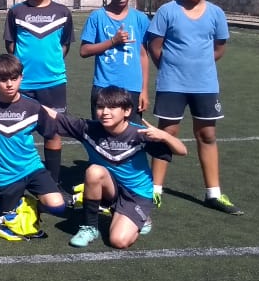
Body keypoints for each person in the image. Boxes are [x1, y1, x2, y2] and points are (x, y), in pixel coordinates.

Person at [146, 0, 241, 215]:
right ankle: (154, 190)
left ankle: (213, 194)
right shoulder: (167, 11)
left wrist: (199, 67)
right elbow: (154, 46)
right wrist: (170, 68)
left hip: (205, 85)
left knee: (207, 135)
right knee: (167, 133)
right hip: (172, 84)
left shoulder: (216, 13)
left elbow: (219, 48)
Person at [48, 86, 187, 248]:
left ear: (127, 111)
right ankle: (90, 227)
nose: (105, 112)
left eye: (112, 107)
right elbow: (55, 117)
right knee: (94, 171)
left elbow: (182, 151)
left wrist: (164, 136)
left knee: (118, 241)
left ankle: (139, 217)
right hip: (110, 189)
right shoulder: (88, 129)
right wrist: (26, 102)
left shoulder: (139, 134)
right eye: (100, 107)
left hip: (136, 195)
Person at [0, 54, 66, 239]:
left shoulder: (33, 106)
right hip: (4, 174)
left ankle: (25, 200)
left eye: (14, 78)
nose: (9, 84)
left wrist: (52, 177)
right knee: (1, 218)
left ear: (21, 77)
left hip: (32, 168)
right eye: (3, 80)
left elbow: (52, 135)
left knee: (57, 206)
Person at [5, 0, 73, 185]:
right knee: (17, 132)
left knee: (53, 132)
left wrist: (50, 64)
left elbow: (64, 45)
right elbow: (11, 45)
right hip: (23, 84)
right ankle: (16, 182)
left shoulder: (63, 12)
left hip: (53, 83)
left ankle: (53, 183)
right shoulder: (16, 12)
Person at [80, 0, 150, 118]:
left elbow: (143, 55)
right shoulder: (97, 16)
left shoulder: (141, 18)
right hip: (104, 86)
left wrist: (144, 90)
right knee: (102, 131)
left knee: (132, 131)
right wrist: (113, 41)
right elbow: (84, 51)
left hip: (132, 88)